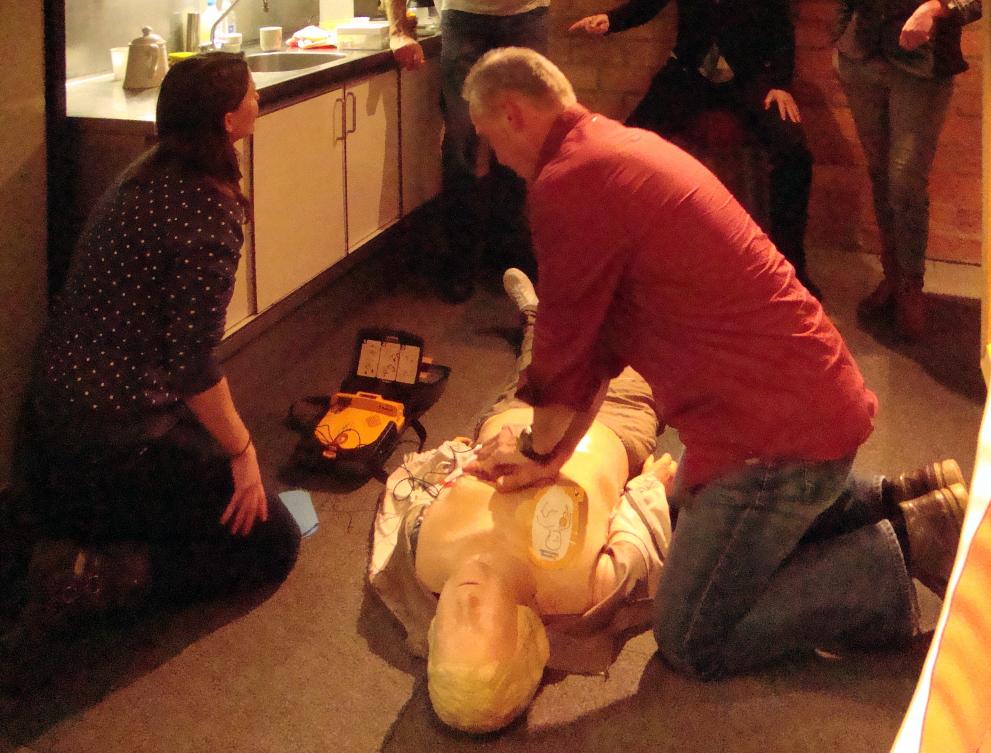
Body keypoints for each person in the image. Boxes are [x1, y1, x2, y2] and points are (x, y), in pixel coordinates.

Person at [461, 48, 968, 680]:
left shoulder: (568, 184)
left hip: (774, 440)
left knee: (691, 635)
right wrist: (551, 457)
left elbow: (561, 348)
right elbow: (593, 352)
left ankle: (893, 556)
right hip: (806, 400)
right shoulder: (612, 149)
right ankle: (903, 500)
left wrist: (534, 450)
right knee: (682, 513)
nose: (492, 156)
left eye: (487, 136)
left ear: (513, 113)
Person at [1, 52, 300, 687]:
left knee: (224, 481)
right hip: (116, 445)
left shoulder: (144, 175)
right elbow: (191, 363)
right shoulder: (208, 211)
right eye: (251, 93)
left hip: (53, 429)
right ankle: (98, 576)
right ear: (228, 121)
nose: (259, 100)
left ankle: (80, 537)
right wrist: (243, 451)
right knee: (276, 535)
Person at [369, 269, 675, 732]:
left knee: (540, 363)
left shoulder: (426, 559)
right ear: (522, 637)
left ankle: (536, 318)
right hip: (614, 420)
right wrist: (653, 488)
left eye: (447, 634)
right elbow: (639, 539)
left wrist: (451, 459)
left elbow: (410, 494)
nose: (463, 606)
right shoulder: (578, 588)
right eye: (479, 627)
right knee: (639, 336)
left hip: (512, 420)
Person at [569, 0, 820, 298]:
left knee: (794, 152)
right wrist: (611, 20)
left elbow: (782, 27)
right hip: (689, 72)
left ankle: (790, 266)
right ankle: (613, 254)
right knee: (630, 148)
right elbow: (649, 3)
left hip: (749, 77)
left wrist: (780, 82)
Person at [833, 0, 982, 339]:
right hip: (859, 56)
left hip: (922, 64)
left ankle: (911, 284)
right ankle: (893, 275)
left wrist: (935, 7)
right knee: (880, 174)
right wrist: (840, 34)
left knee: (905, 182)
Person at [385, 0, 548, 303]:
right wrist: (398, 31)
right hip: (464, 18)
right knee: (462, 140)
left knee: (522, 135)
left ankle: (509, 252)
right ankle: (461, 257)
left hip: (527, 15)